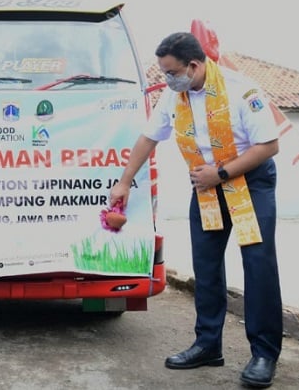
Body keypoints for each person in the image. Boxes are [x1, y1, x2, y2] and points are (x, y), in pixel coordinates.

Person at [108, 32, 281, 389]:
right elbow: (148, 138)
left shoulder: (240, 90)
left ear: (194, 65)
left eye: (171, 72)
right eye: (163, 73)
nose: (167, 79)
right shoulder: (176, 96)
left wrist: (221, 173)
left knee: (258, 265)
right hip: (206, 186)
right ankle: (207, 344)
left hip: (248, 182)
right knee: (205, 265)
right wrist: (124, 182)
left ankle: (264, 354)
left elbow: (268, 145)